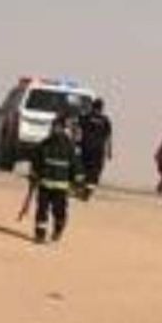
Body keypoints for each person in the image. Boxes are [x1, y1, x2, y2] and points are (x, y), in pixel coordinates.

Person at [25, 114, 84, 243]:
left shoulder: (69, 146)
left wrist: (78, 182)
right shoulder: (44, 144)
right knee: (42, 210)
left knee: (59, 211)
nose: (54, 129)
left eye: (57, 127)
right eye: (53, 126)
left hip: (60, 187)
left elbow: (75, 165)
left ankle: (58, 228)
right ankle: (40, 234)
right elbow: (36, 161)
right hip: (44, 184)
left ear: (63, 128)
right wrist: (33, 174)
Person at [78, 98, 113, 197]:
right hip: (98, 150)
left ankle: (84, 187)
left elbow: (78, 128)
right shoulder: (105, 120)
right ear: (101, 108)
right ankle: (88, 190)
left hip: (86, 148)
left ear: (92, 106)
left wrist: (76, 143)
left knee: (85, 167)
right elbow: (109, 137)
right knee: (95, 170)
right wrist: (109, 151)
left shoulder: (86, 117)